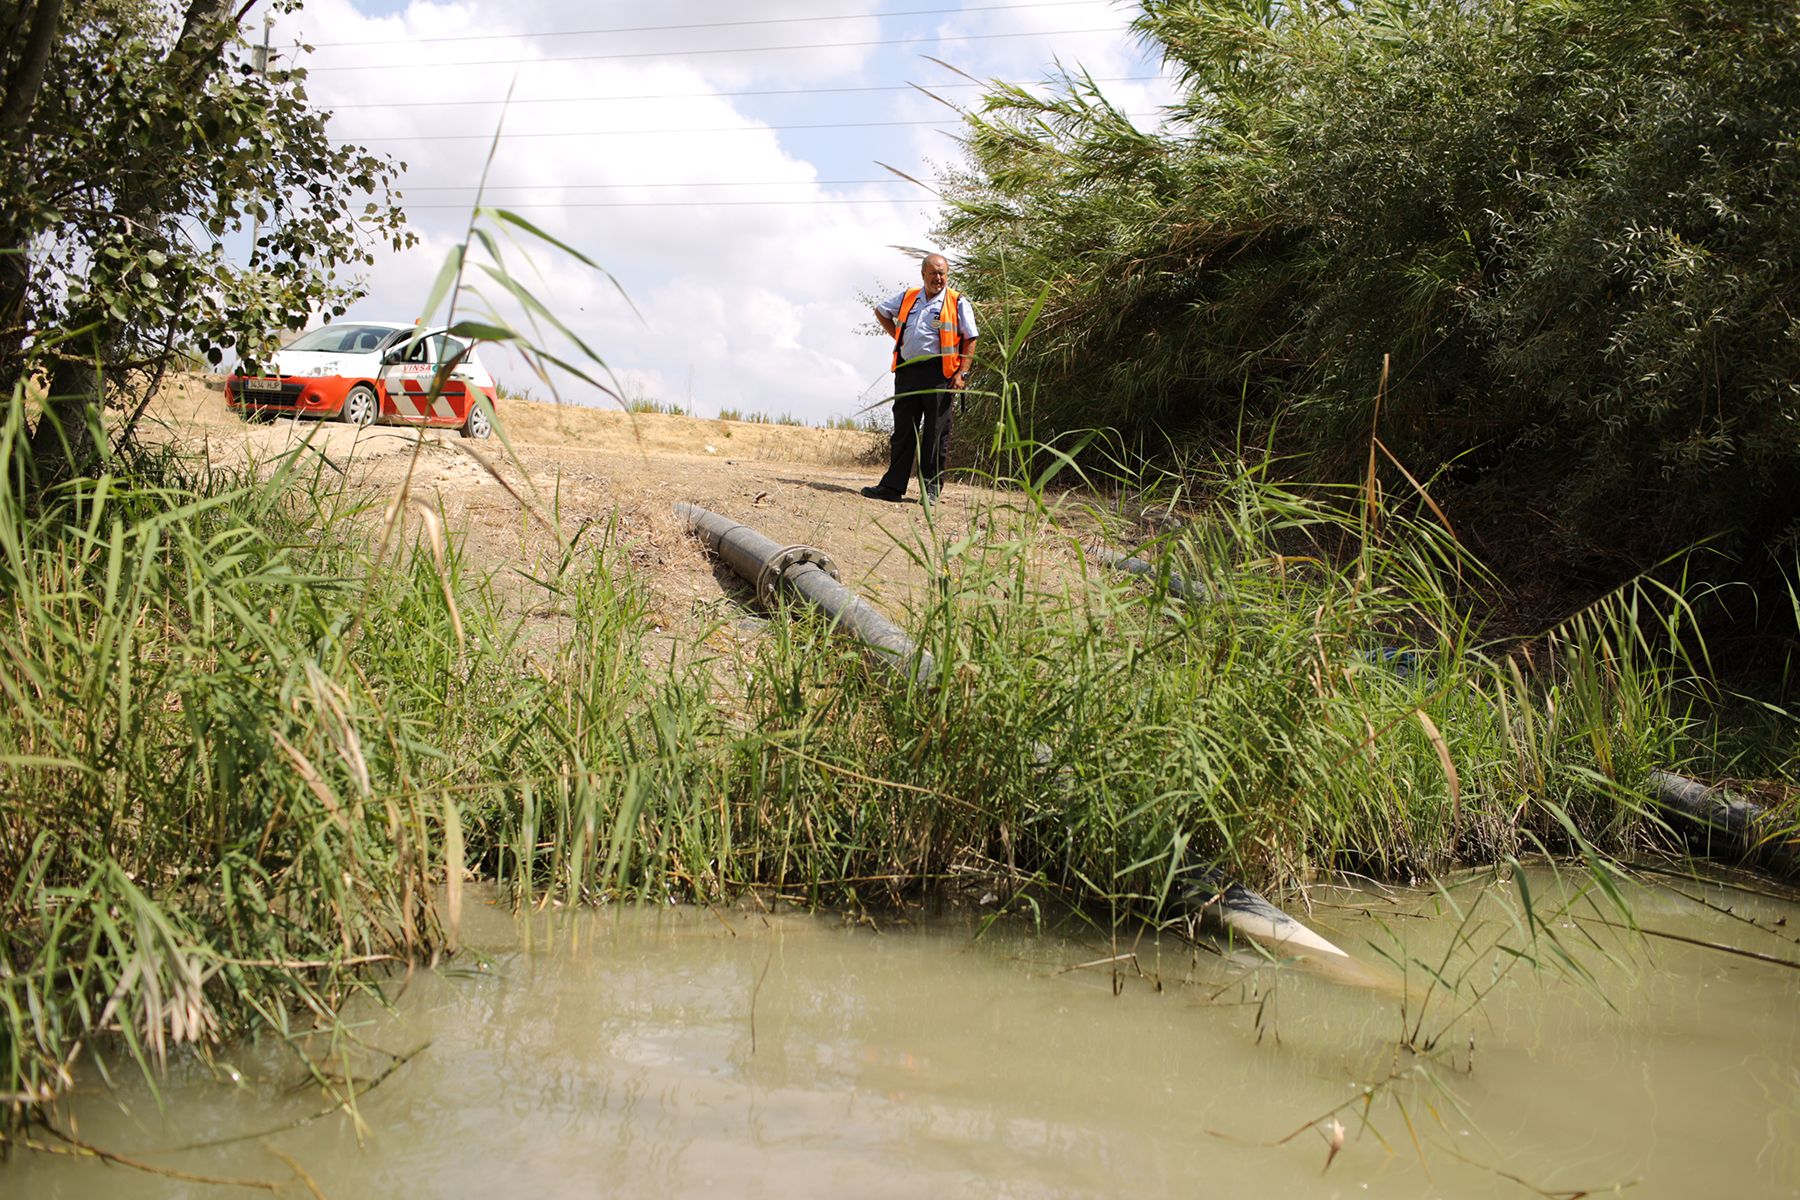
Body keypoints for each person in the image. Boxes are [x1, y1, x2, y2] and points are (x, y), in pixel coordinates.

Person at [862, 253, 978, 504]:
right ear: (923, 274)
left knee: (936, 434)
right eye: (934, 273)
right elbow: (881, 311)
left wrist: (962, 374)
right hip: (908, 372)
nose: (939, 278)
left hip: (940, 374)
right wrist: (900, 338)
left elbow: (970, 338)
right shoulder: (908, 297)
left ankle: (930, 491)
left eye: (943, 273)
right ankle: (892, 488)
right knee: (903, 431)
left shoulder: (957, 302)